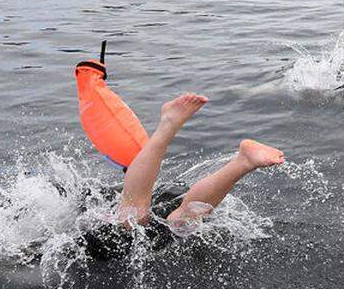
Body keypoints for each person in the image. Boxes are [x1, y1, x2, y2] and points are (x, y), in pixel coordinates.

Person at [85, 93, 285, 260]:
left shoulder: (87, 212)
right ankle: (244, 162)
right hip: (164, 198)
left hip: (116, 214)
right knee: (182, 221)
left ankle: (169, 124)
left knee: (133, 216)